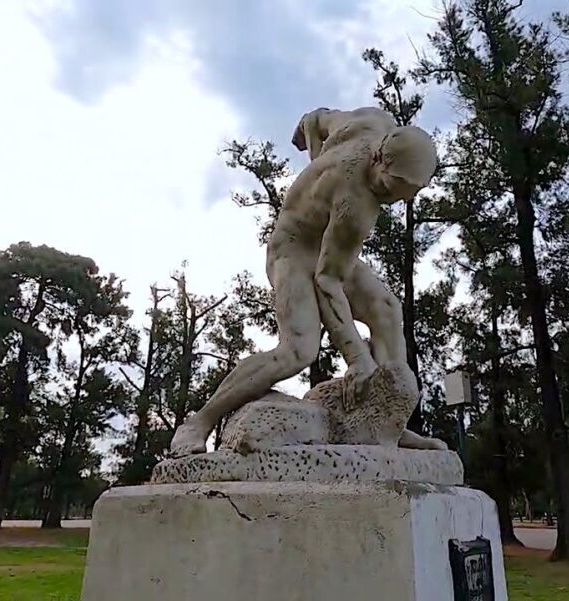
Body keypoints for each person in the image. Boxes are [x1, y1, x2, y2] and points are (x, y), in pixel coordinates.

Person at [169, 109, 439, 456]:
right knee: (298, 350)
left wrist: (308, 139)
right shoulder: (355, 204)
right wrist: (358, 358)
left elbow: (317, 119)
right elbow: (327, 281)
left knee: (386, 308)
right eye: (389, 188)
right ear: (377, 159)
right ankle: (199, 422)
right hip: (293, 250)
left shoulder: (372, 123)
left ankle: (387, 422)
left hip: (327, 244)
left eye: (405, 194)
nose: (392, 199)